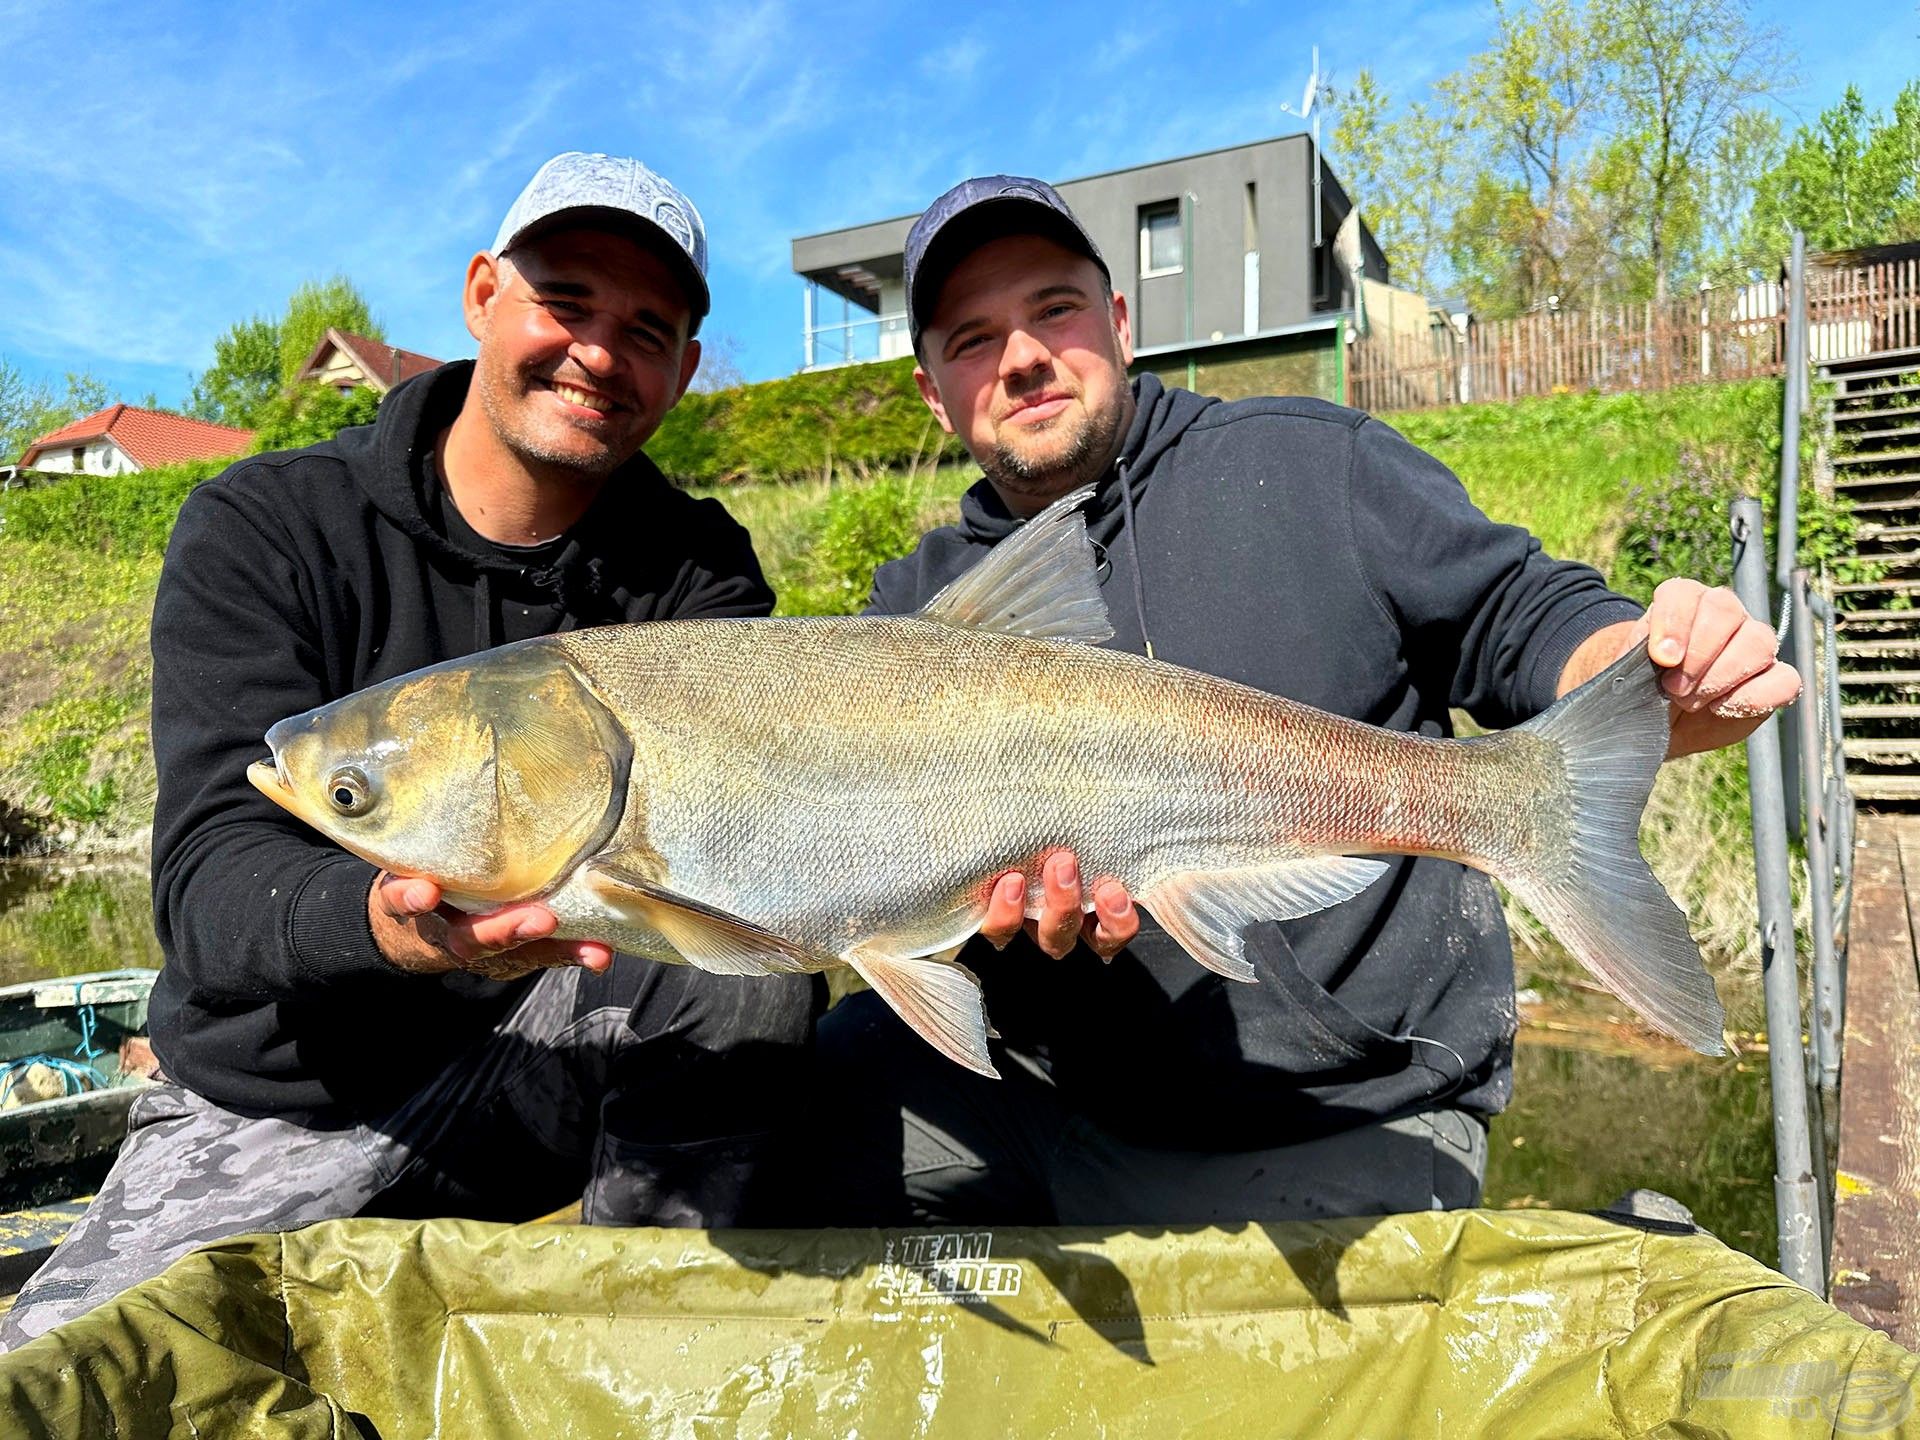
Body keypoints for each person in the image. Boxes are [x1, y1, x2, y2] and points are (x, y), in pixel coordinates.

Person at [802, 176, 1800, 1228]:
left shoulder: (1310, 462)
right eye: (972, 337)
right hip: (1048, 1093)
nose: (1023, 356)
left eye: (1054, 308)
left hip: (1334, 1109)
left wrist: (1655, 666)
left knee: (1256, 1387)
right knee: (811, 1085)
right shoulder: (911, 608)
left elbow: (1524, 618)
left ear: (1121, 324)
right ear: (932, 391)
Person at [2, 152, 833, 1349]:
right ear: (483, 293)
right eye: (565, 300)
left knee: (740, 978)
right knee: (68, 1383)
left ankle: (631, 1359)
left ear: (686, 369)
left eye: (647, 328)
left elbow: (754, 854)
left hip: (560, 1046)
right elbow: (208, 884)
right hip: (288, 1102)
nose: (599, 352)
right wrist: (391, 927)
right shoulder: (266, 528)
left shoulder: (696, 574)